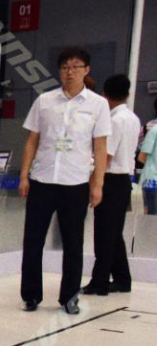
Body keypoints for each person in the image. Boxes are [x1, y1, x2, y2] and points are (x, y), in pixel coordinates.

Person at [18, 47, 111, 314]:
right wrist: (24, 175)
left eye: (76, 67)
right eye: (65, 67)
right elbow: (32, 140)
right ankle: (31, 295)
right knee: (33, 240)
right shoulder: (44, 101)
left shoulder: (98, 105)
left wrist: (98, 184)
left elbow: (100, 147)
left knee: (73, 243)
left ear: (86, 70)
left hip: (75, 182)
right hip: (42, 179)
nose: (70, 72)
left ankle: (69, 296)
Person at [81, 75, 140, 296]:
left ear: (105, 95)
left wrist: (93, 183)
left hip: (111, 180)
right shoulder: (132, 118)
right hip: (124, 180)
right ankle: (122, 279)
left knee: (104, 233)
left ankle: (100, 282)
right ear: (127, 93)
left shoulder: (114, 121)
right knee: (114, 233)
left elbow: (106, 156)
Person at [138, 124, 157, 216]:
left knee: (151, 218)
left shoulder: (154, 130)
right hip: (152, 182)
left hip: (152, 181)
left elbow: (142, 157)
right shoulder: (154, 131)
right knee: (151, 218)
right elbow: (142, 156)